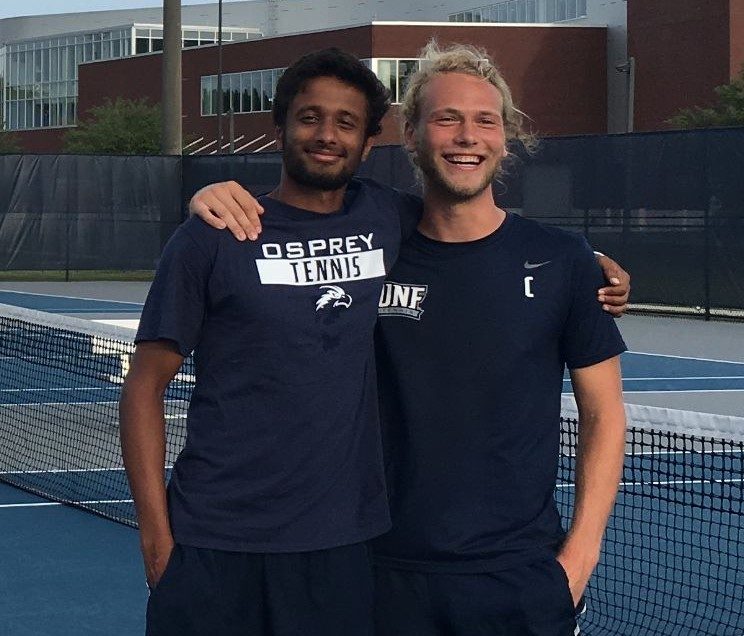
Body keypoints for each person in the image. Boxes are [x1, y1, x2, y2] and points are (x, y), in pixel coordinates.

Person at [190, 43, 628, 636]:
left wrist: (581, 557)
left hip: (520, 578)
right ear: (413, 134)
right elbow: (290, 226)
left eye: (485, 120)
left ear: (506, 136)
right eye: (447, 118)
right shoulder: (370, 250)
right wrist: (210, 196)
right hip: (377, 570)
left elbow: (604, 414)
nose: (466, 136)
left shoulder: (564, 261)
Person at [119, 48, 407, 636]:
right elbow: (143, 388)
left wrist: (589, 262)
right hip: (215, 544)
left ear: (368, 143)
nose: (326, 135)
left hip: (341, 547)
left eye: (345, 123)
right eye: (309, 117)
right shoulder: (213, 235)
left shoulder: (390, 216)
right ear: (278, 127)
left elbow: (480, 233)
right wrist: (155, 540)